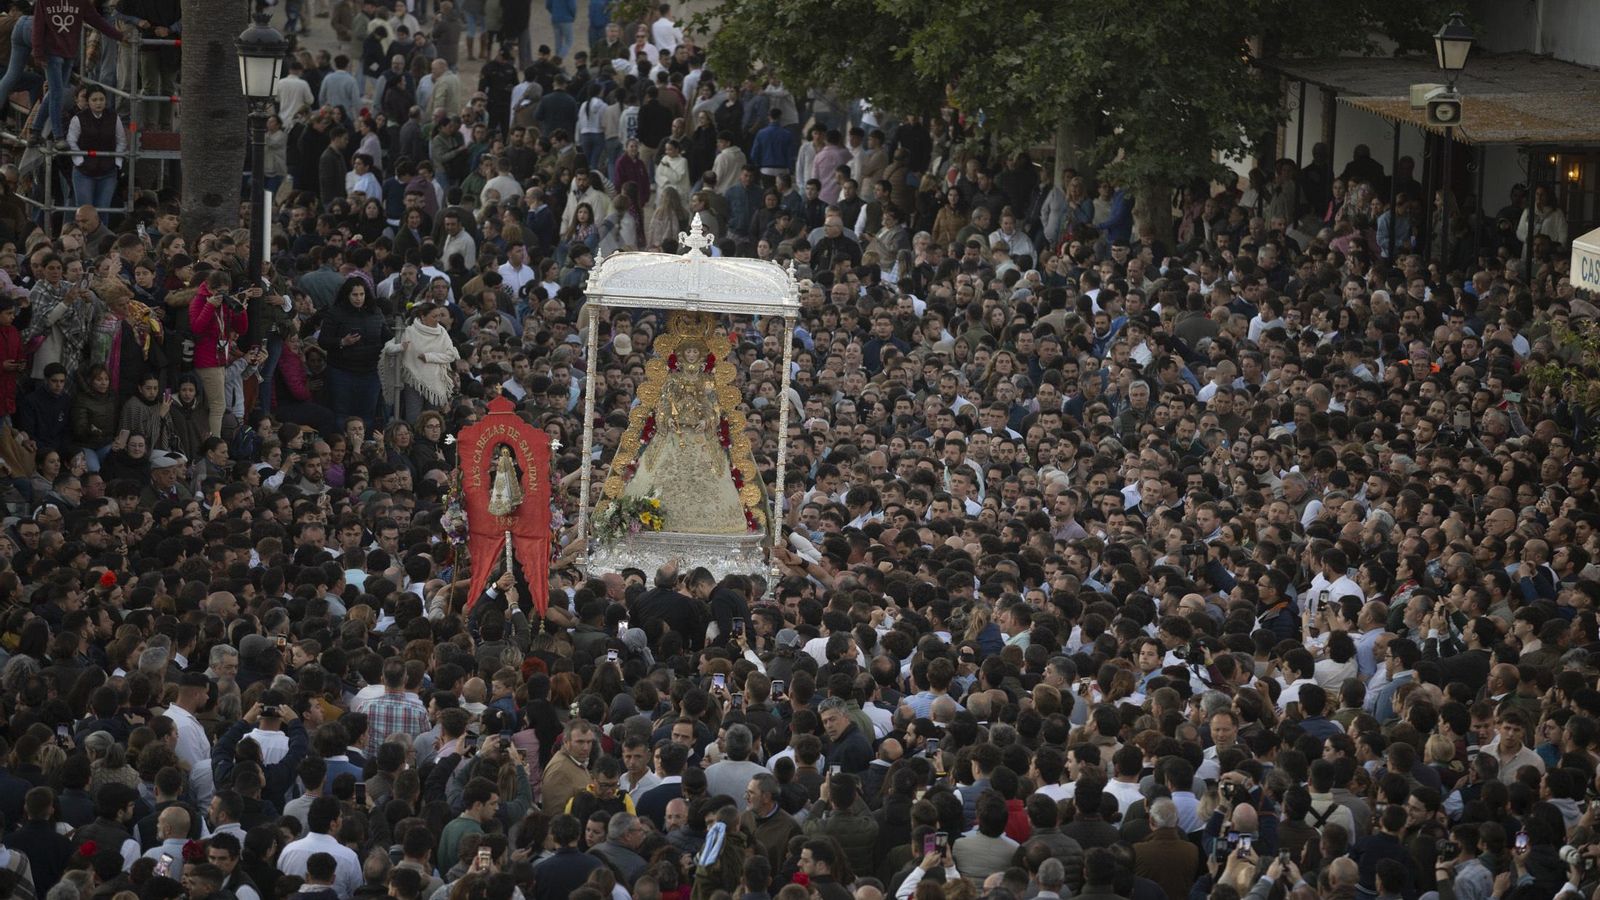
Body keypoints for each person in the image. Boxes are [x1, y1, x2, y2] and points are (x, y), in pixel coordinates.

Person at [317, 276, 392, 428]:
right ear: (347, 295)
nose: (359, 298)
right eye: (355, 295)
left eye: (361, 294)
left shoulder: (375, 312)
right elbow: (323, 340)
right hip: (342, 371)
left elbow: (386, 336)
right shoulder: (335, 313)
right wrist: (342, 342)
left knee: (368, 414)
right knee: (342, 413)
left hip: (370, 371)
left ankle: (366, 442)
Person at [66, 86, 125, 210]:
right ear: (88, 101)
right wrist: (79, 160)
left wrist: (117, 161)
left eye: (101, 99)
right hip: (84, 171)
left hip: (108, 171)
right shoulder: (78, 118)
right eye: (94, 100)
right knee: (85, 210)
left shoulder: (114, 117)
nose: (98, 103)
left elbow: (121, 140)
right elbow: (71, 141)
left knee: (103, 209)